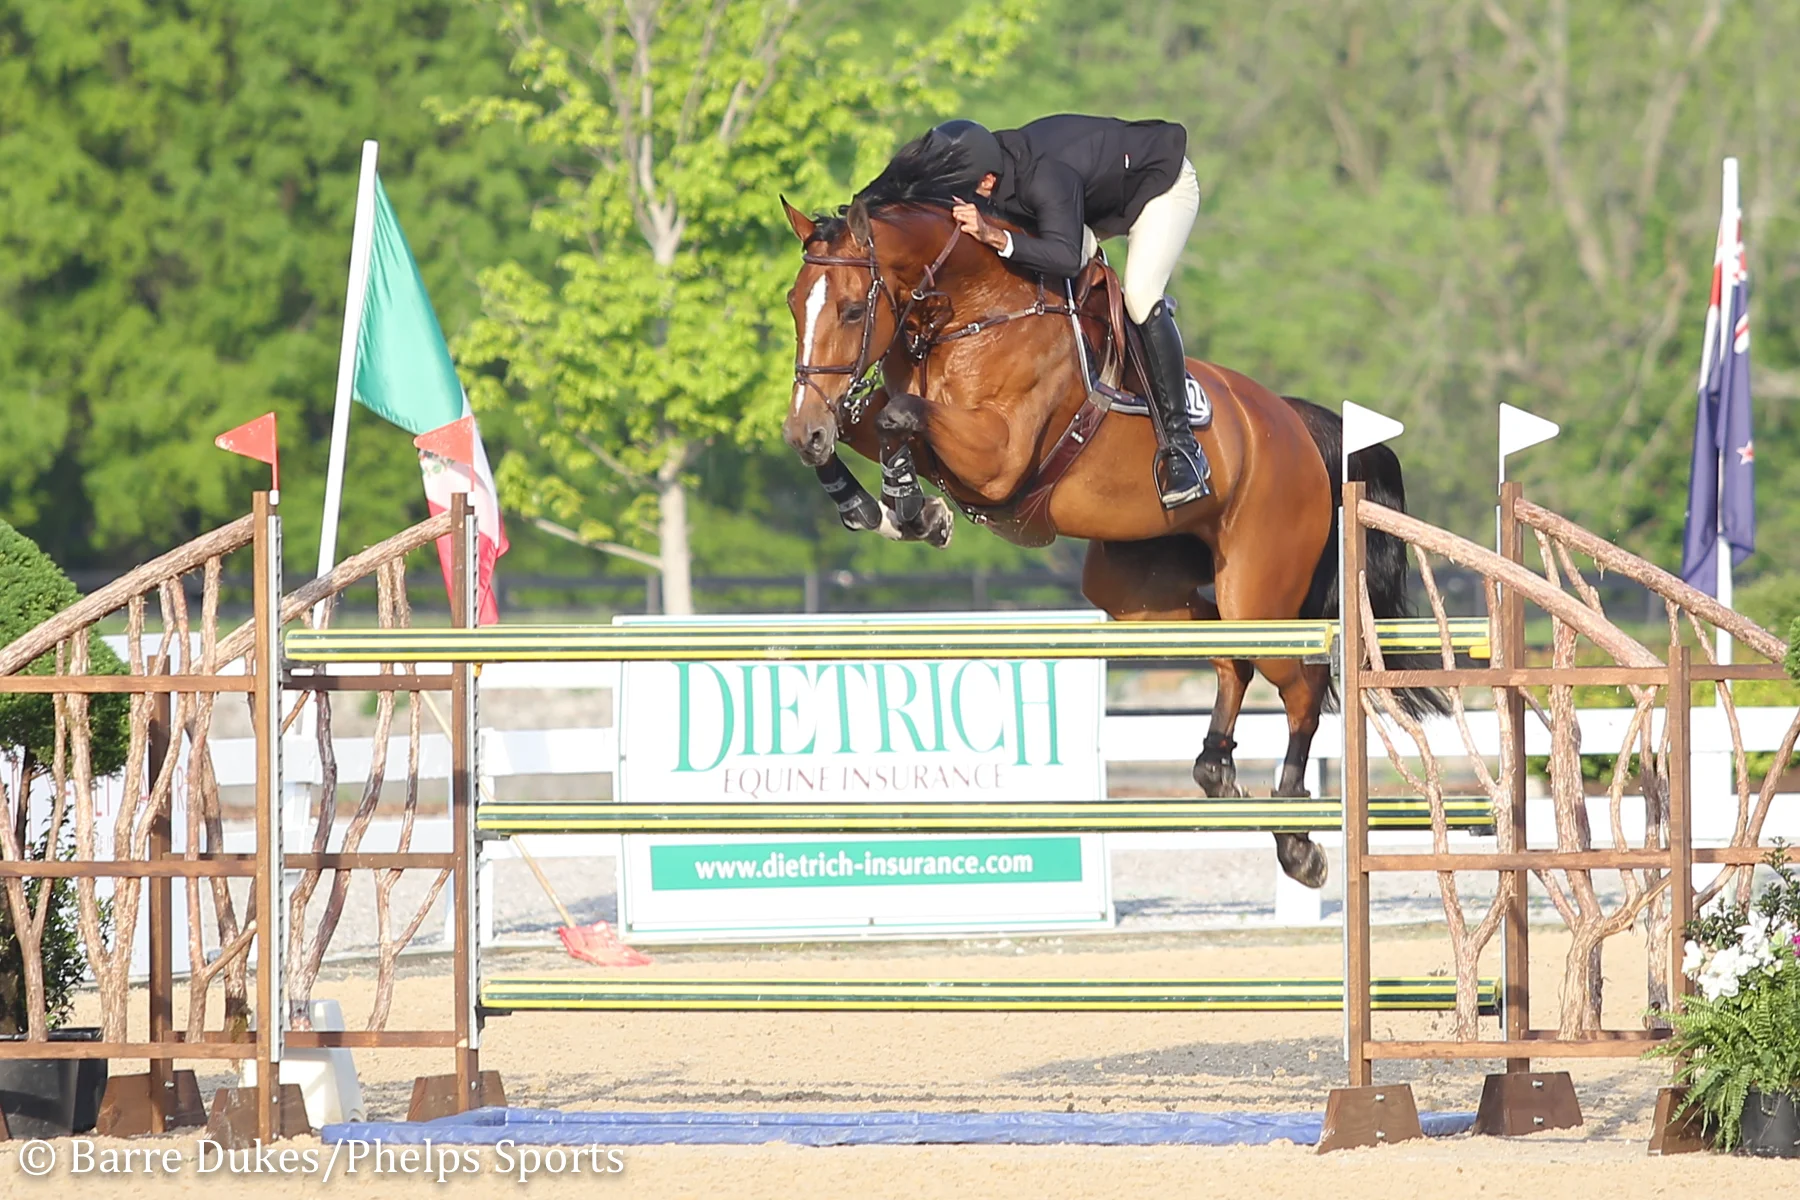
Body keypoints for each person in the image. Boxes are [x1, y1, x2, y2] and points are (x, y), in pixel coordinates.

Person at [931, 116, 1209, 507]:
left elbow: (1062, 256)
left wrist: (995, 235)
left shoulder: (1043, 177)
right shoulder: (994, 168)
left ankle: (1183, 446)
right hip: (1091, 199)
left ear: (987, 182)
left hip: (1160, 187)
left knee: (1141, 296)